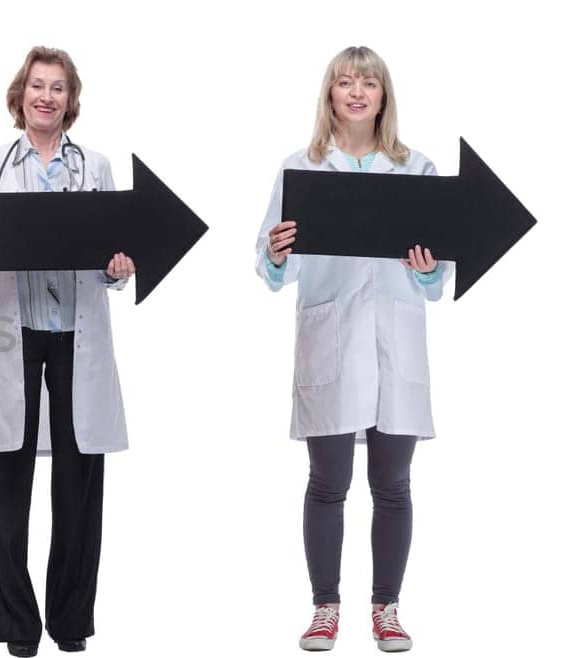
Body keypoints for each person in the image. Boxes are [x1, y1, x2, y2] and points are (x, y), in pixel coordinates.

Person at [256, 46, 450, 654]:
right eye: (345, 82)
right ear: (330, 95)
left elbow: (438, 278)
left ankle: (387, 610)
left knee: (393, 484)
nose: (357, 92)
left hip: (395, 339)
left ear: (384, 94)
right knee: (328, 481)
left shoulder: (417, 169)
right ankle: (324, 609)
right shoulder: (300, 168)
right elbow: (269, 269)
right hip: (331, 339)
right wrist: (276, 251)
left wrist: (422, 268)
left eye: (368, 82)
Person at [0, 47, 135, 657]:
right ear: (20, 94)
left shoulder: (96, 166)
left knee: (78, 484)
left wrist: (120, 266)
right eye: (36, 86)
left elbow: (113, 262)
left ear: (70, 99)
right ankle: (16, 626)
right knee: (5, 483)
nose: (45, 97)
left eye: (57, 88)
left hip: (77, 336)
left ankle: (71, 621)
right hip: (14, 334)